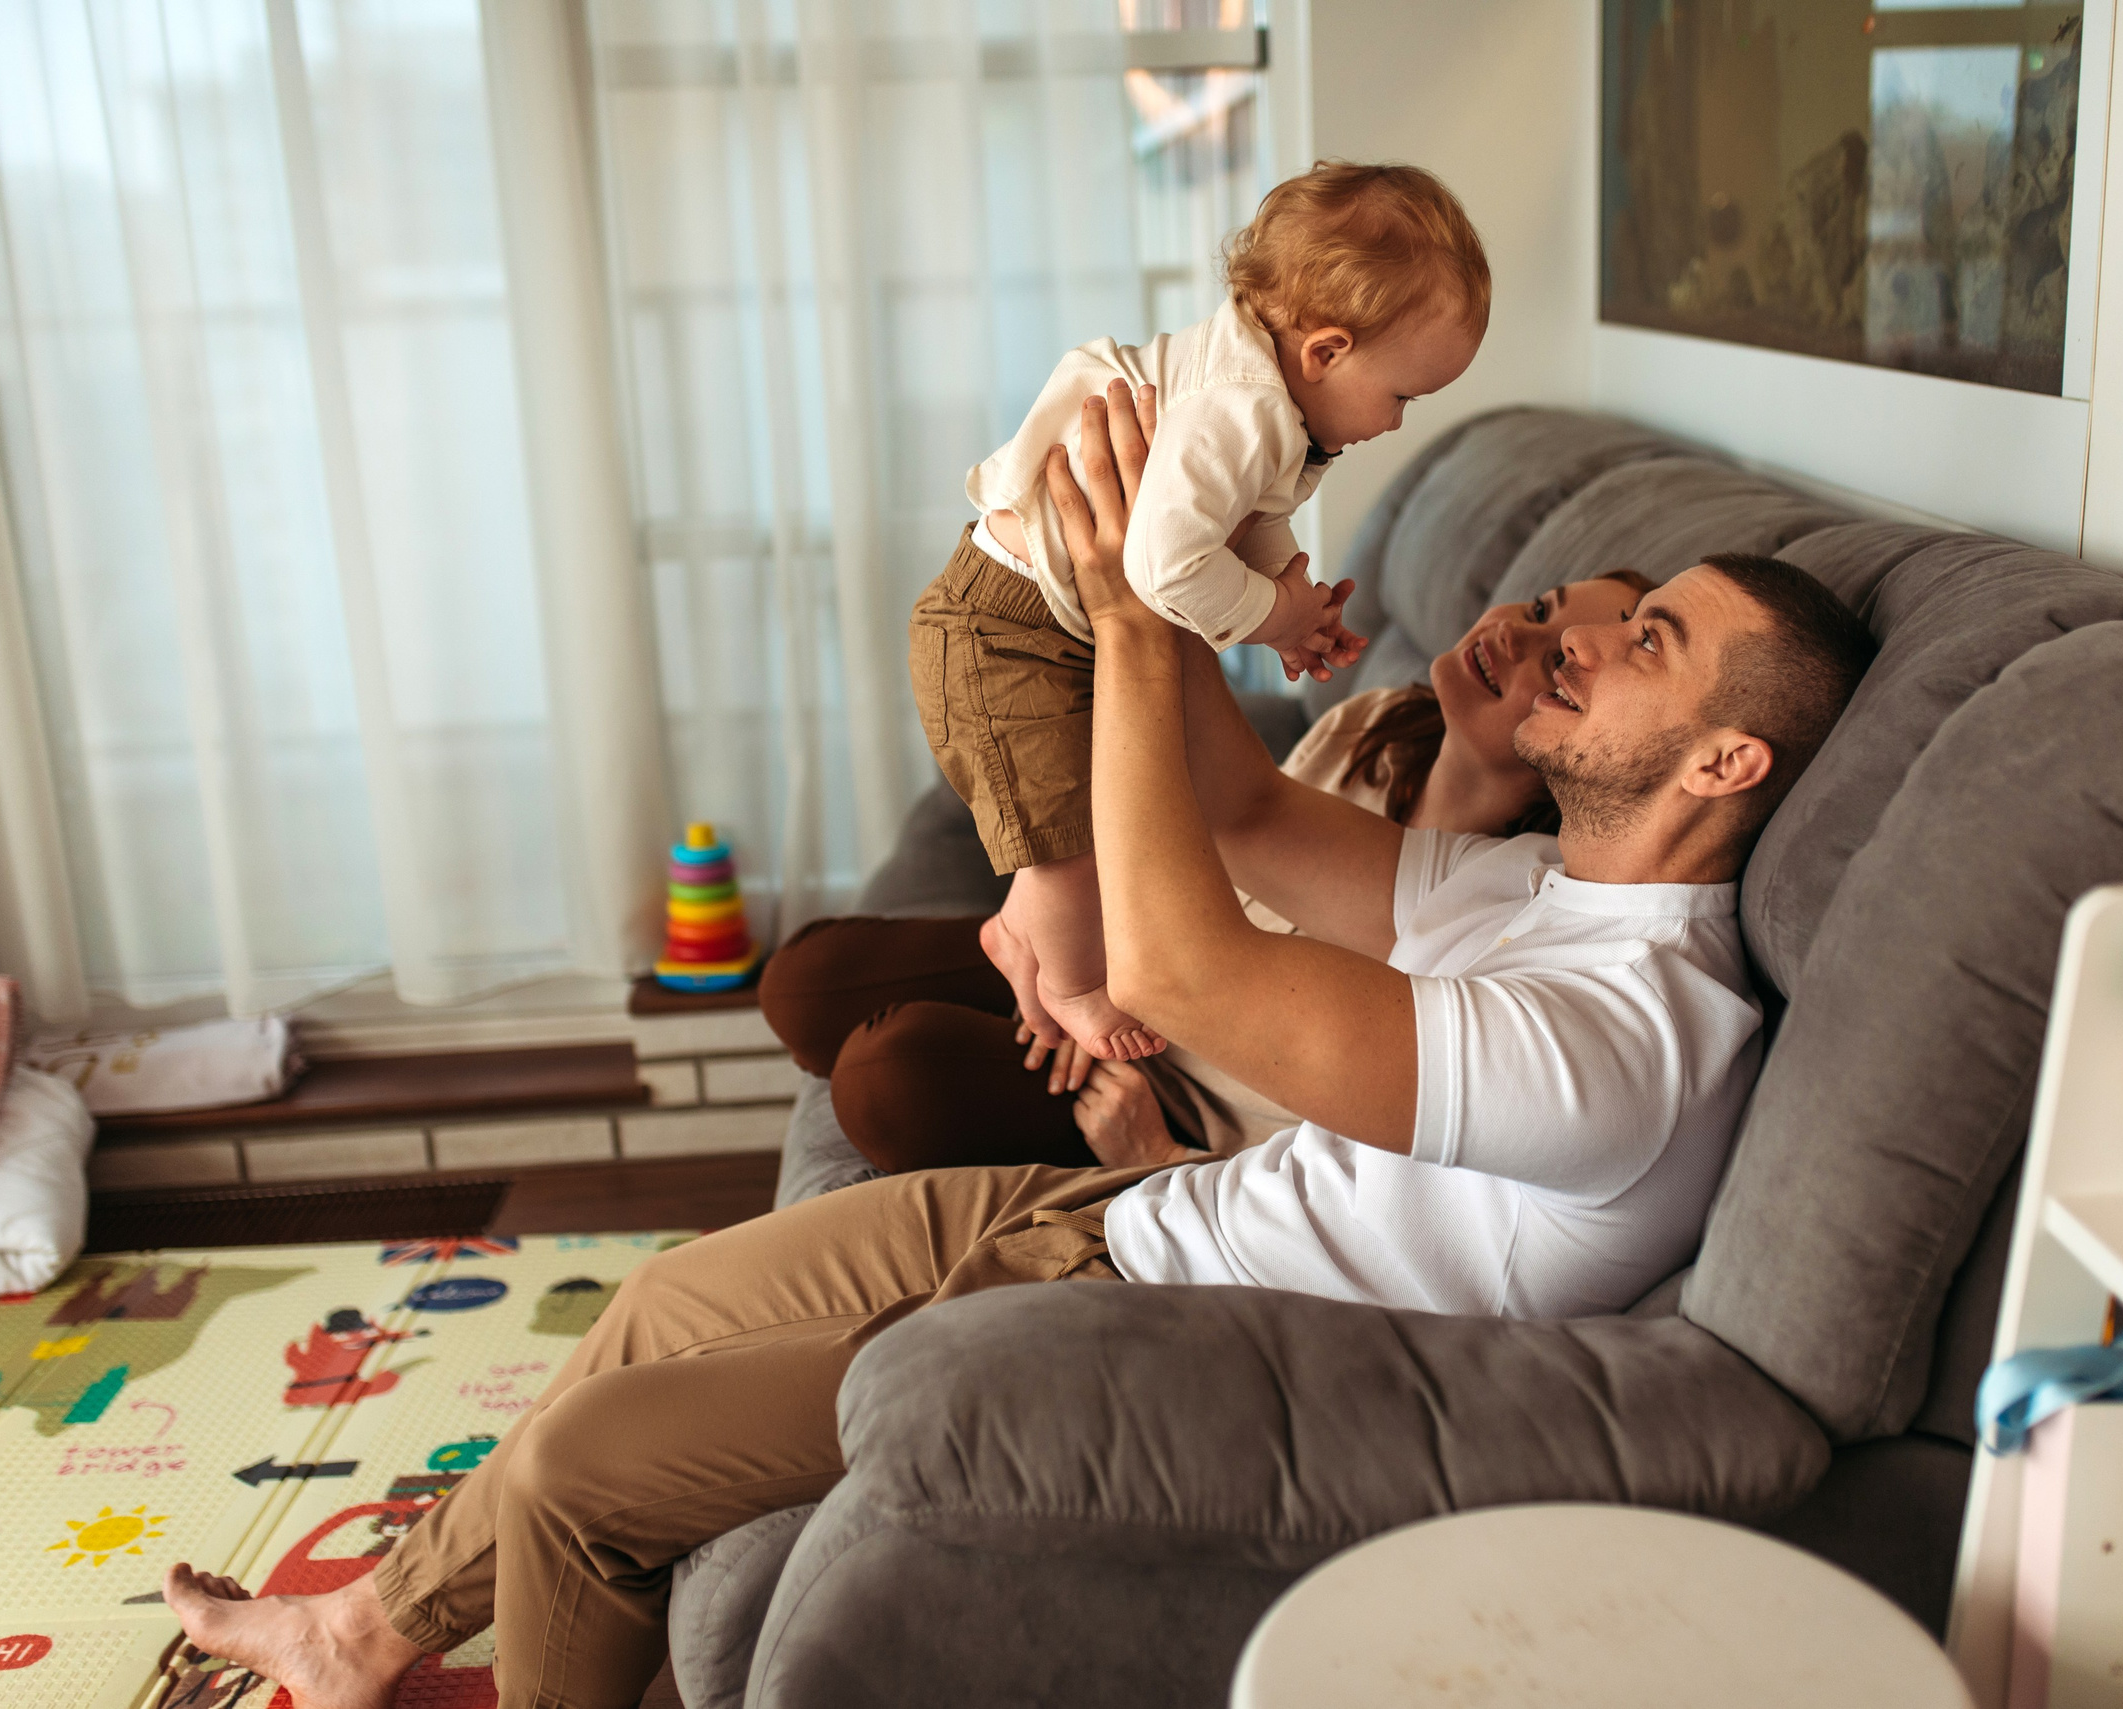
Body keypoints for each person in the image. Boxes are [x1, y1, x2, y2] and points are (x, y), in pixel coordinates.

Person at [159, 391, 1874, 1709]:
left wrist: (1134, 627)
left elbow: (1189, 973)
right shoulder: (1534, 888)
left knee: (578, 1474)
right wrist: (1187, 526)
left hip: (1144, 1332)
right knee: (653, 1308)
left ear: (1725, 764)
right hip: (1126, 1225)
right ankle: (357, 1628)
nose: (1577, 630)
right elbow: (1238, 806)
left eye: (1647, 642)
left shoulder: (1617, 1041)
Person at [767, 380, 1650, 1175]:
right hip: (1121, 943)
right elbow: (1220, 812)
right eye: (1539, 609)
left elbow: (1355, 1136)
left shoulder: (1490, 912)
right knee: (800, 982)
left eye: (1558, 661)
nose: (1516, 635)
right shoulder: (1372, 724)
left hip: (1172, 1089)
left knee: (890, 1077)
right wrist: (1170, 547)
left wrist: (1160, 1154)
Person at [918, 160, 1489, 1062]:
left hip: (1044, 619)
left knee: (1095, 827)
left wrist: (1290, 612)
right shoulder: (1248, 411)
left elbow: (1243, 523)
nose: (1397, 423)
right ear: (1327, 352)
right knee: (1071, 843)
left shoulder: (1264, 403)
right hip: (1010, 630)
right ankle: (1070, 984)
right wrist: (1269, 614)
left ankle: (1020, 931)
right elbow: (1165, 564)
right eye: (1403, 395)